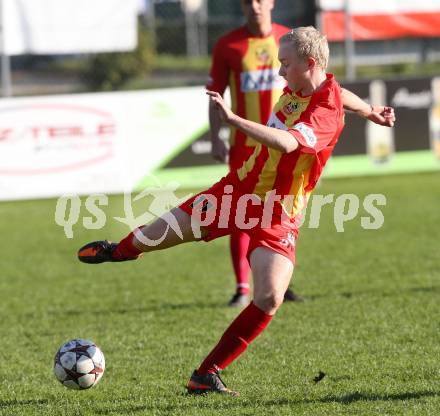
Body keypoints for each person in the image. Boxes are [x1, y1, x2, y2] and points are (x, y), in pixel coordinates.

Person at [78, 26, 395, 396]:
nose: (278, 72)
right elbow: (343, 93)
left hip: (278, 212)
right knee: (155, 236)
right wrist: (371, 110)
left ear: (309, 64)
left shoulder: (325, 111)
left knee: (270, 296)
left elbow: (289, 143)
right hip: (236, 191)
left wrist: (233, 121)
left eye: (285, 64)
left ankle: (205, 373)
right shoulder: (308, 86)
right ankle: (119, 251)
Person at [208, 0, 394, 307]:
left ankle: (274, 283)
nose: (254, 6)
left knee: (283, 208)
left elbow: (330, 91)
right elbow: (216, 92)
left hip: (289, 144)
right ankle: (243, 286)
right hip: (248, 143)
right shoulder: (229, 44)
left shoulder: (290, 40)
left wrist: (369, 110)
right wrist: (217, 134)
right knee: (239, 209)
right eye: (247, 1)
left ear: (271, 3)